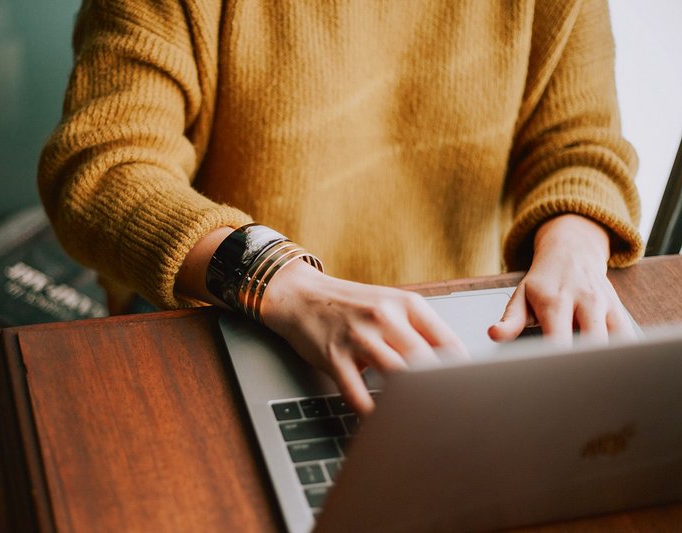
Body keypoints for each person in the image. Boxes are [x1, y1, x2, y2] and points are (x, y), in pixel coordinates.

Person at [38, 0, 643, 415]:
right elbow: (103, 168)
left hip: (454, 337)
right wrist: (278, 280)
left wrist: (576, 244)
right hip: (229, 319)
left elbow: (581, 145)